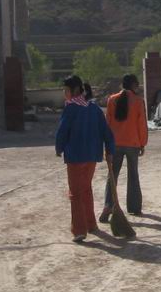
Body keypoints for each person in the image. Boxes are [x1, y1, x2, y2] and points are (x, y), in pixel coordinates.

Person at [55, 75, 115, 243]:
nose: (64, 93)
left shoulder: (71, 108)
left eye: (66, 90)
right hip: (92, 156)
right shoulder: (94, 108)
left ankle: (79, 230)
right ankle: (91, 224)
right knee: (86, 189)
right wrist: (110, 150)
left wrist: (59, 148)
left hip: (76, 156)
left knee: (75, 193)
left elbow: (62, 131)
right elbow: (106, 131)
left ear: (74, 90)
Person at [101, 74, 148, 220]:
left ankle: (108, 205)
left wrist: (107, 144)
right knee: (133, 175)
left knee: (112, 175)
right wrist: (142, 143)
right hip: (133, 143)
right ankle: (134, 207)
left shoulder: (112, 100)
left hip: (115, 144)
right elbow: (141, 124)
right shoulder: (138, 101)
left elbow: (107, 124)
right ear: (133, 85)